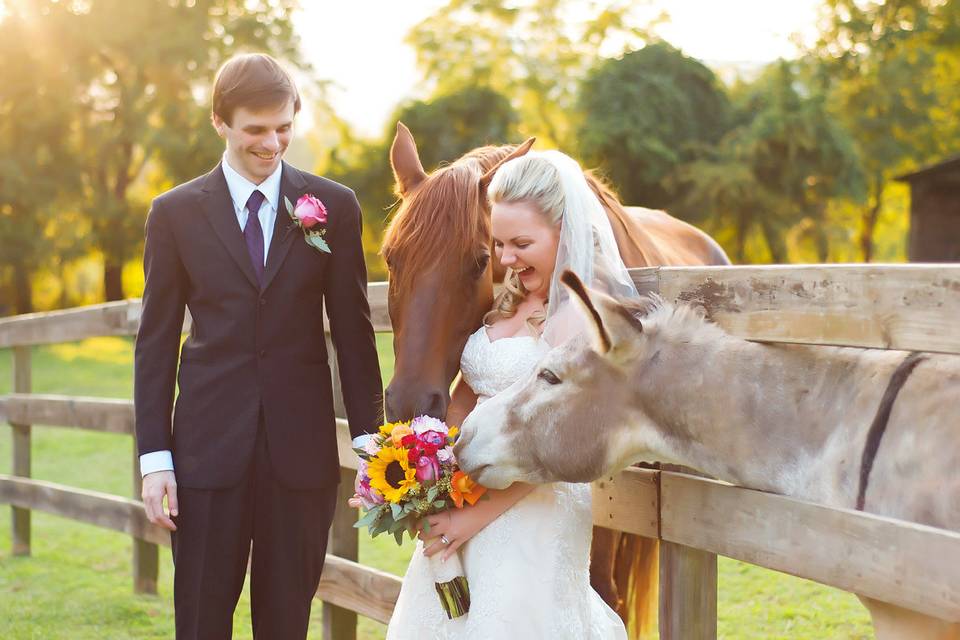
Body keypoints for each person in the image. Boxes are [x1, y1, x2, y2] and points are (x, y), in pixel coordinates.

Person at [134, 53, 382, 640]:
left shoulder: (334, 207)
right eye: (256, 130)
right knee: (200, 621)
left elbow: (353, 330)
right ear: (219, 121)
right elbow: (156, 342)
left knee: (286, 624)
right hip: (204, 457)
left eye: (284, 127)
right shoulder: (173, 215)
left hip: (301, 458)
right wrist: (155, 461)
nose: (273, 144)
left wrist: (372, 441)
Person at [382, 150, 633, 639]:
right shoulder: (506, 301)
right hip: (467, 507)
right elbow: (467, 395)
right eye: (497, 244)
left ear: (565, 230)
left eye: (521, 243)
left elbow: (563, 450)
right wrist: (418, 477)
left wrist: (472, 519)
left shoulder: (578, 317)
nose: (506, 260)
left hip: (532, 514)